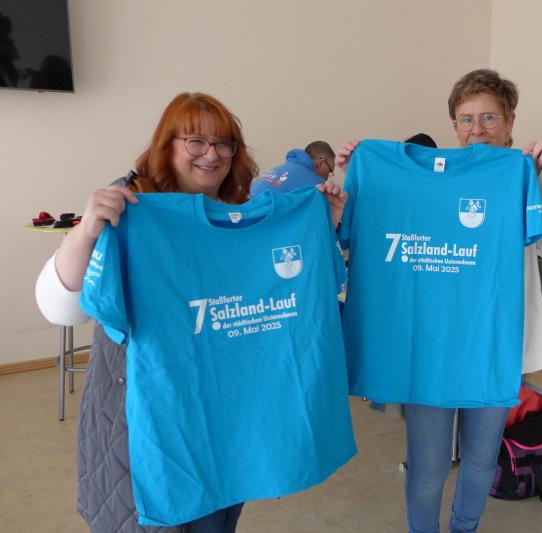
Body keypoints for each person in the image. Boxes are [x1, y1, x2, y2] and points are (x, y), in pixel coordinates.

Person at [34, 92, 348, 533]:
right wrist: (86, 231)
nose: (211, 154)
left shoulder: (244, 215)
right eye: (196, 141)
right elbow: (61, 308)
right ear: (168, 145)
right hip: (146, 423)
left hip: (224, 421)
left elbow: (294, 299)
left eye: (223, 144)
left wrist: (320, 225)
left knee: (216, 521)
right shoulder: (133, 208)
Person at [336, 68, 542, 533]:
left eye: (489, 117)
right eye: (466, 119)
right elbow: (360, 226)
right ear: (454, 125)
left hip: (492, 345)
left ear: (510, 121)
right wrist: (357, 175)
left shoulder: (519, 174)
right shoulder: (416, 178)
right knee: (427, 465)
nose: (477, 129)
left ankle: (464, 528)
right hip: (431, 347)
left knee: (481, 459)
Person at [250, 140, 335, 196]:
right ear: (320, 163)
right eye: (329, 171)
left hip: (244, 208)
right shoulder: (316, 183)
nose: (327, 178)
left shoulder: (284, 168)